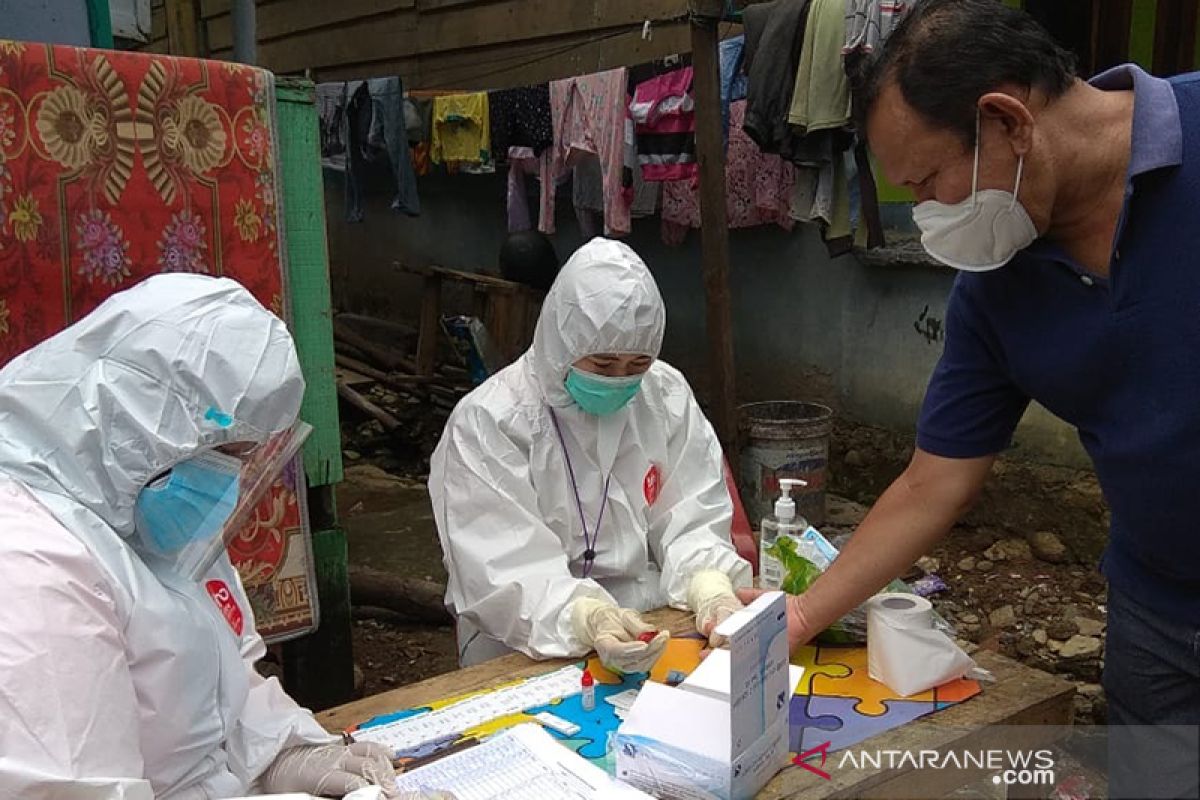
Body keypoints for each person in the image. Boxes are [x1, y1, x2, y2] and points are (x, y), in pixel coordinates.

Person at [739, 2, 1200, 797]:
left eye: (927, 181)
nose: (929, 215)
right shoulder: (997, 284)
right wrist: (803, 618)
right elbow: (931, 483)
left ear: (1006, 122)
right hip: (1155, 613)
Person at [0, 273, 434, 799]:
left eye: (246, 457)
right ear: (137, 430)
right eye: (222, 457)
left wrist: (285, 751)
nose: (228, 483)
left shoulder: (143, 508)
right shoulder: (29, 568)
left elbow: (219, 684)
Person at [430, 238, 752, 673]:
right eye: (602, 366)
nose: (621, 380)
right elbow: (501, 569)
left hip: (652, 625)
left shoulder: (664, 394)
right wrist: (586, 616)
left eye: (637, 364)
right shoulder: (490, 422)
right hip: (523, 644)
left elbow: (692, 511)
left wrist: (710, 586)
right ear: (562, 343)